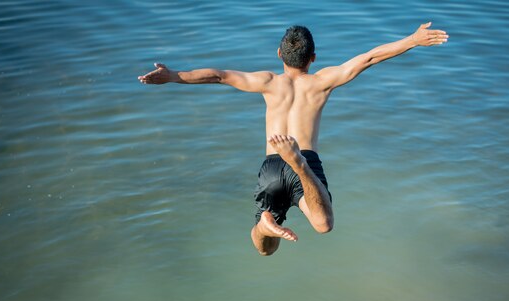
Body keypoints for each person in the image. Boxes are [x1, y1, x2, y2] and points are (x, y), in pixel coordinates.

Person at [138, 22, 448, 256]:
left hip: (271, 163)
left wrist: (175, 75)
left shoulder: (267, 82)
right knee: (323, 225)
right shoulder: (321, 82)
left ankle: (264, 224)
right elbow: (367, 59)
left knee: (265, 248)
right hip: (304, 160)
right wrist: (412, 40)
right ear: (313, 57)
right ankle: (298, 165)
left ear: (278, 54)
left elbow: (219, 75)